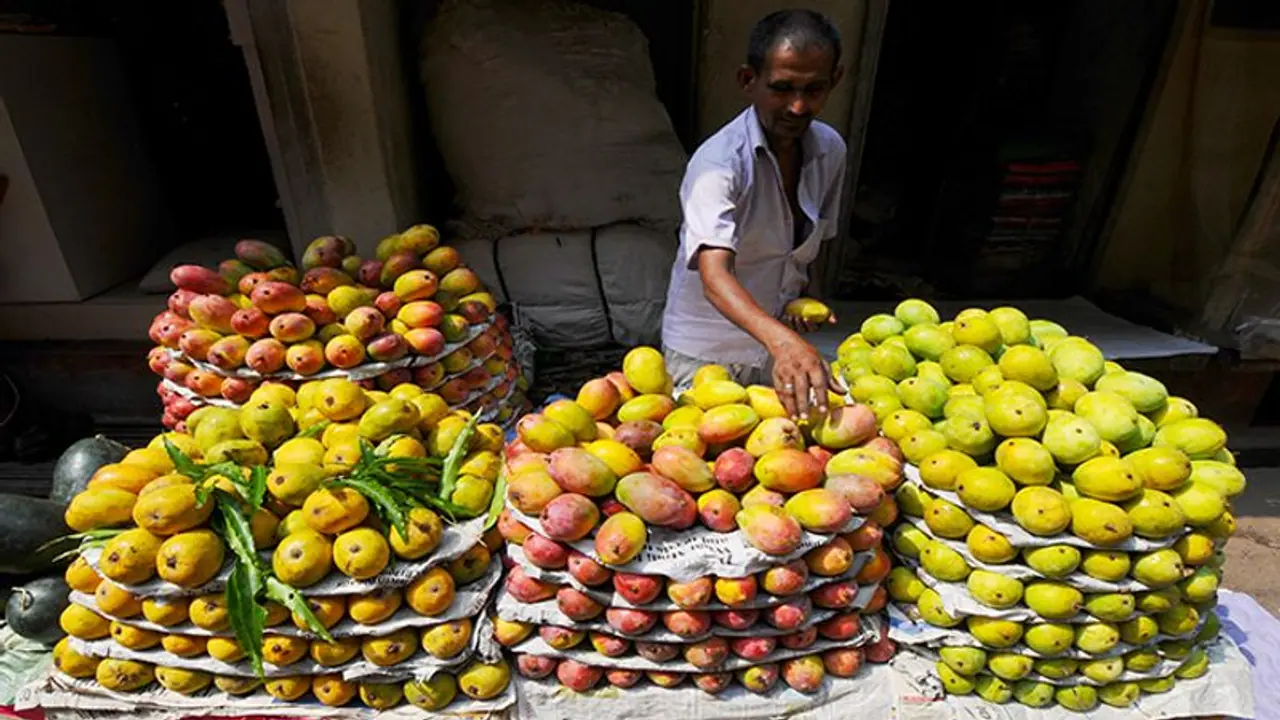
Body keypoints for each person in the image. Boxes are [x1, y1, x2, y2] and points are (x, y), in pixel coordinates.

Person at [662, 8, 847, 420]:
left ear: (835, 81)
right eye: (782, 89)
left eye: (814, 89)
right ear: (749, 81)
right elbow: (714, 276)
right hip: (707, 355)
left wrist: (807, 295)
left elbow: (814, 242)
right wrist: (783, 342)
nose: (798, 106)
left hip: (775, 349)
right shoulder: (719, 164)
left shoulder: (829, 150)